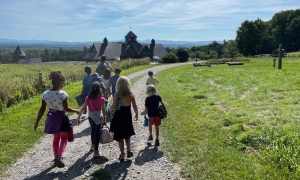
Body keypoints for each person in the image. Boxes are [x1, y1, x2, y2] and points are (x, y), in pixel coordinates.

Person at [34, 71, 79, 168]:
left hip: (52, 118)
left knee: (56, 138)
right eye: (63, 82)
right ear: (60, 82)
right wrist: (76, 110)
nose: (63, 84)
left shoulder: (45, 94)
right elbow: (66, 108)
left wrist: (36, 123)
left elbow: (42, 109)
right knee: (63, 137)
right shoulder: (63, 94)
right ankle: (59, 156)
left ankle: (56, 158)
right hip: (62, 118)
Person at [110, 76, 138, 161]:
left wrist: (110, 107)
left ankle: (122, 154)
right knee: (127, 133)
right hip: (127, 114)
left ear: (118, 84)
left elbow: (114, 105)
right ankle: (128, 150)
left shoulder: (117, 94)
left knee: (119, 136)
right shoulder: (131, 94)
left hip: (119, 115)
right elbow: (134, 105)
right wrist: (136, 114)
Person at [77, 82, 106, 158]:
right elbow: (103, 110)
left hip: (91, 117)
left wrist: (78, 117)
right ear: (99, 89)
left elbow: (83, 108)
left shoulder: (88, 98)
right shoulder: (102, 99)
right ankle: (96, 151)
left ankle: (92, 146)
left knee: (93, 131)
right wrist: (105, 119)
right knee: (97, 133)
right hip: (98, 116)